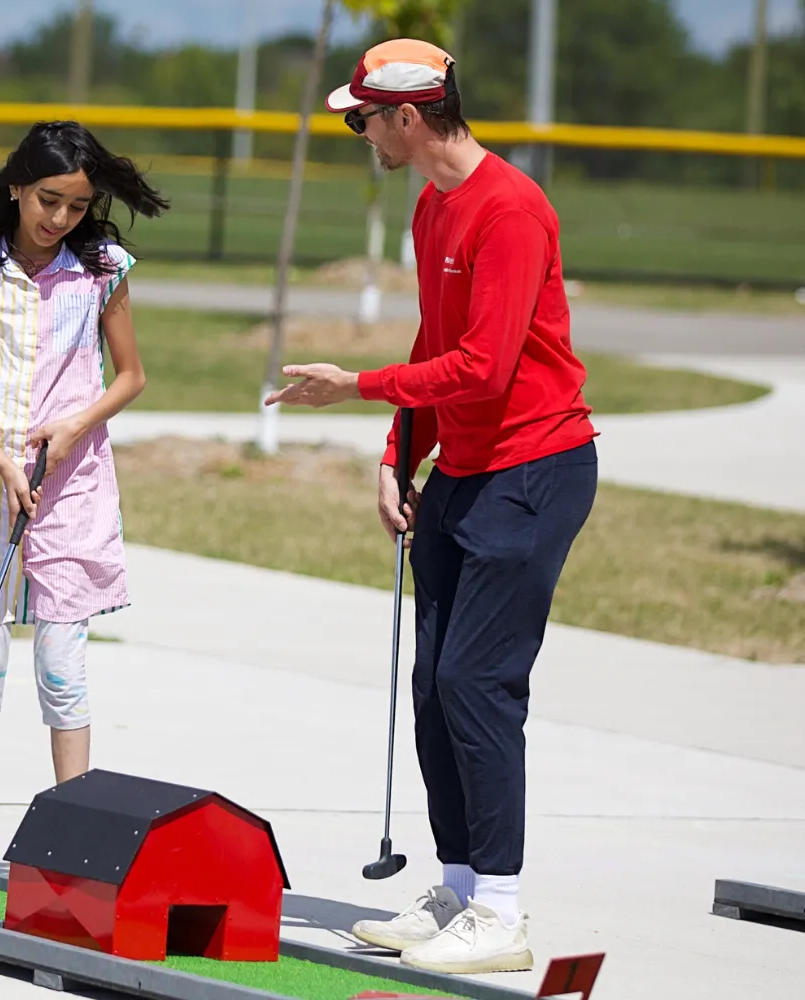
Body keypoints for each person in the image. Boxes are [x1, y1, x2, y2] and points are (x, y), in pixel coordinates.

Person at [265, 40, 598, 974]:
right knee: (431, 685)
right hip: (463, 467)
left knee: (477, 684)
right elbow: (436, 339)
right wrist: (397, 451)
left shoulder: (511, 209)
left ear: (407, 118)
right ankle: (457, 887)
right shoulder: (431, 204)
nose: (357, 130)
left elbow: (487, 368)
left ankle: (501, 911)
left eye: (361, 117)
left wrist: (357, 386)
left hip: (533, 469)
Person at [0, 121, 168, 886]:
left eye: (77, 206)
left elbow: (130, 376)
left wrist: (75, 423)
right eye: (48, 199)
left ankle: (77, 864)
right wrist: (1, 460)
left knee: (61, 667)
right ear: (16, 185)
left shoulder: (103, 267)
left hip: (74, 477)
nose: (59, 218)